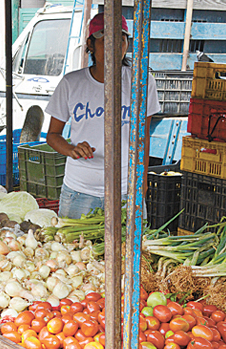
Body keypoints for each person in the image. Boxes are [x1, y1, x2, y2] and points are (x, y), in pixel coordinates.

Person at [45, 12, 161, 219]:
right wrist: (72, 149)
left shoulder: (141, 82)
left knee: (128, 251)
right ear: (90, 44)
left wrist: (140, 190)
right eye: (106, 39)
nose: (115, 46)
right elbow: (53, 135)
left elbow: (143, 141)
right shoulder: (71, 83)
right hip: (79, 191)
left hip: (126, 191)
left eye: (121, 39)